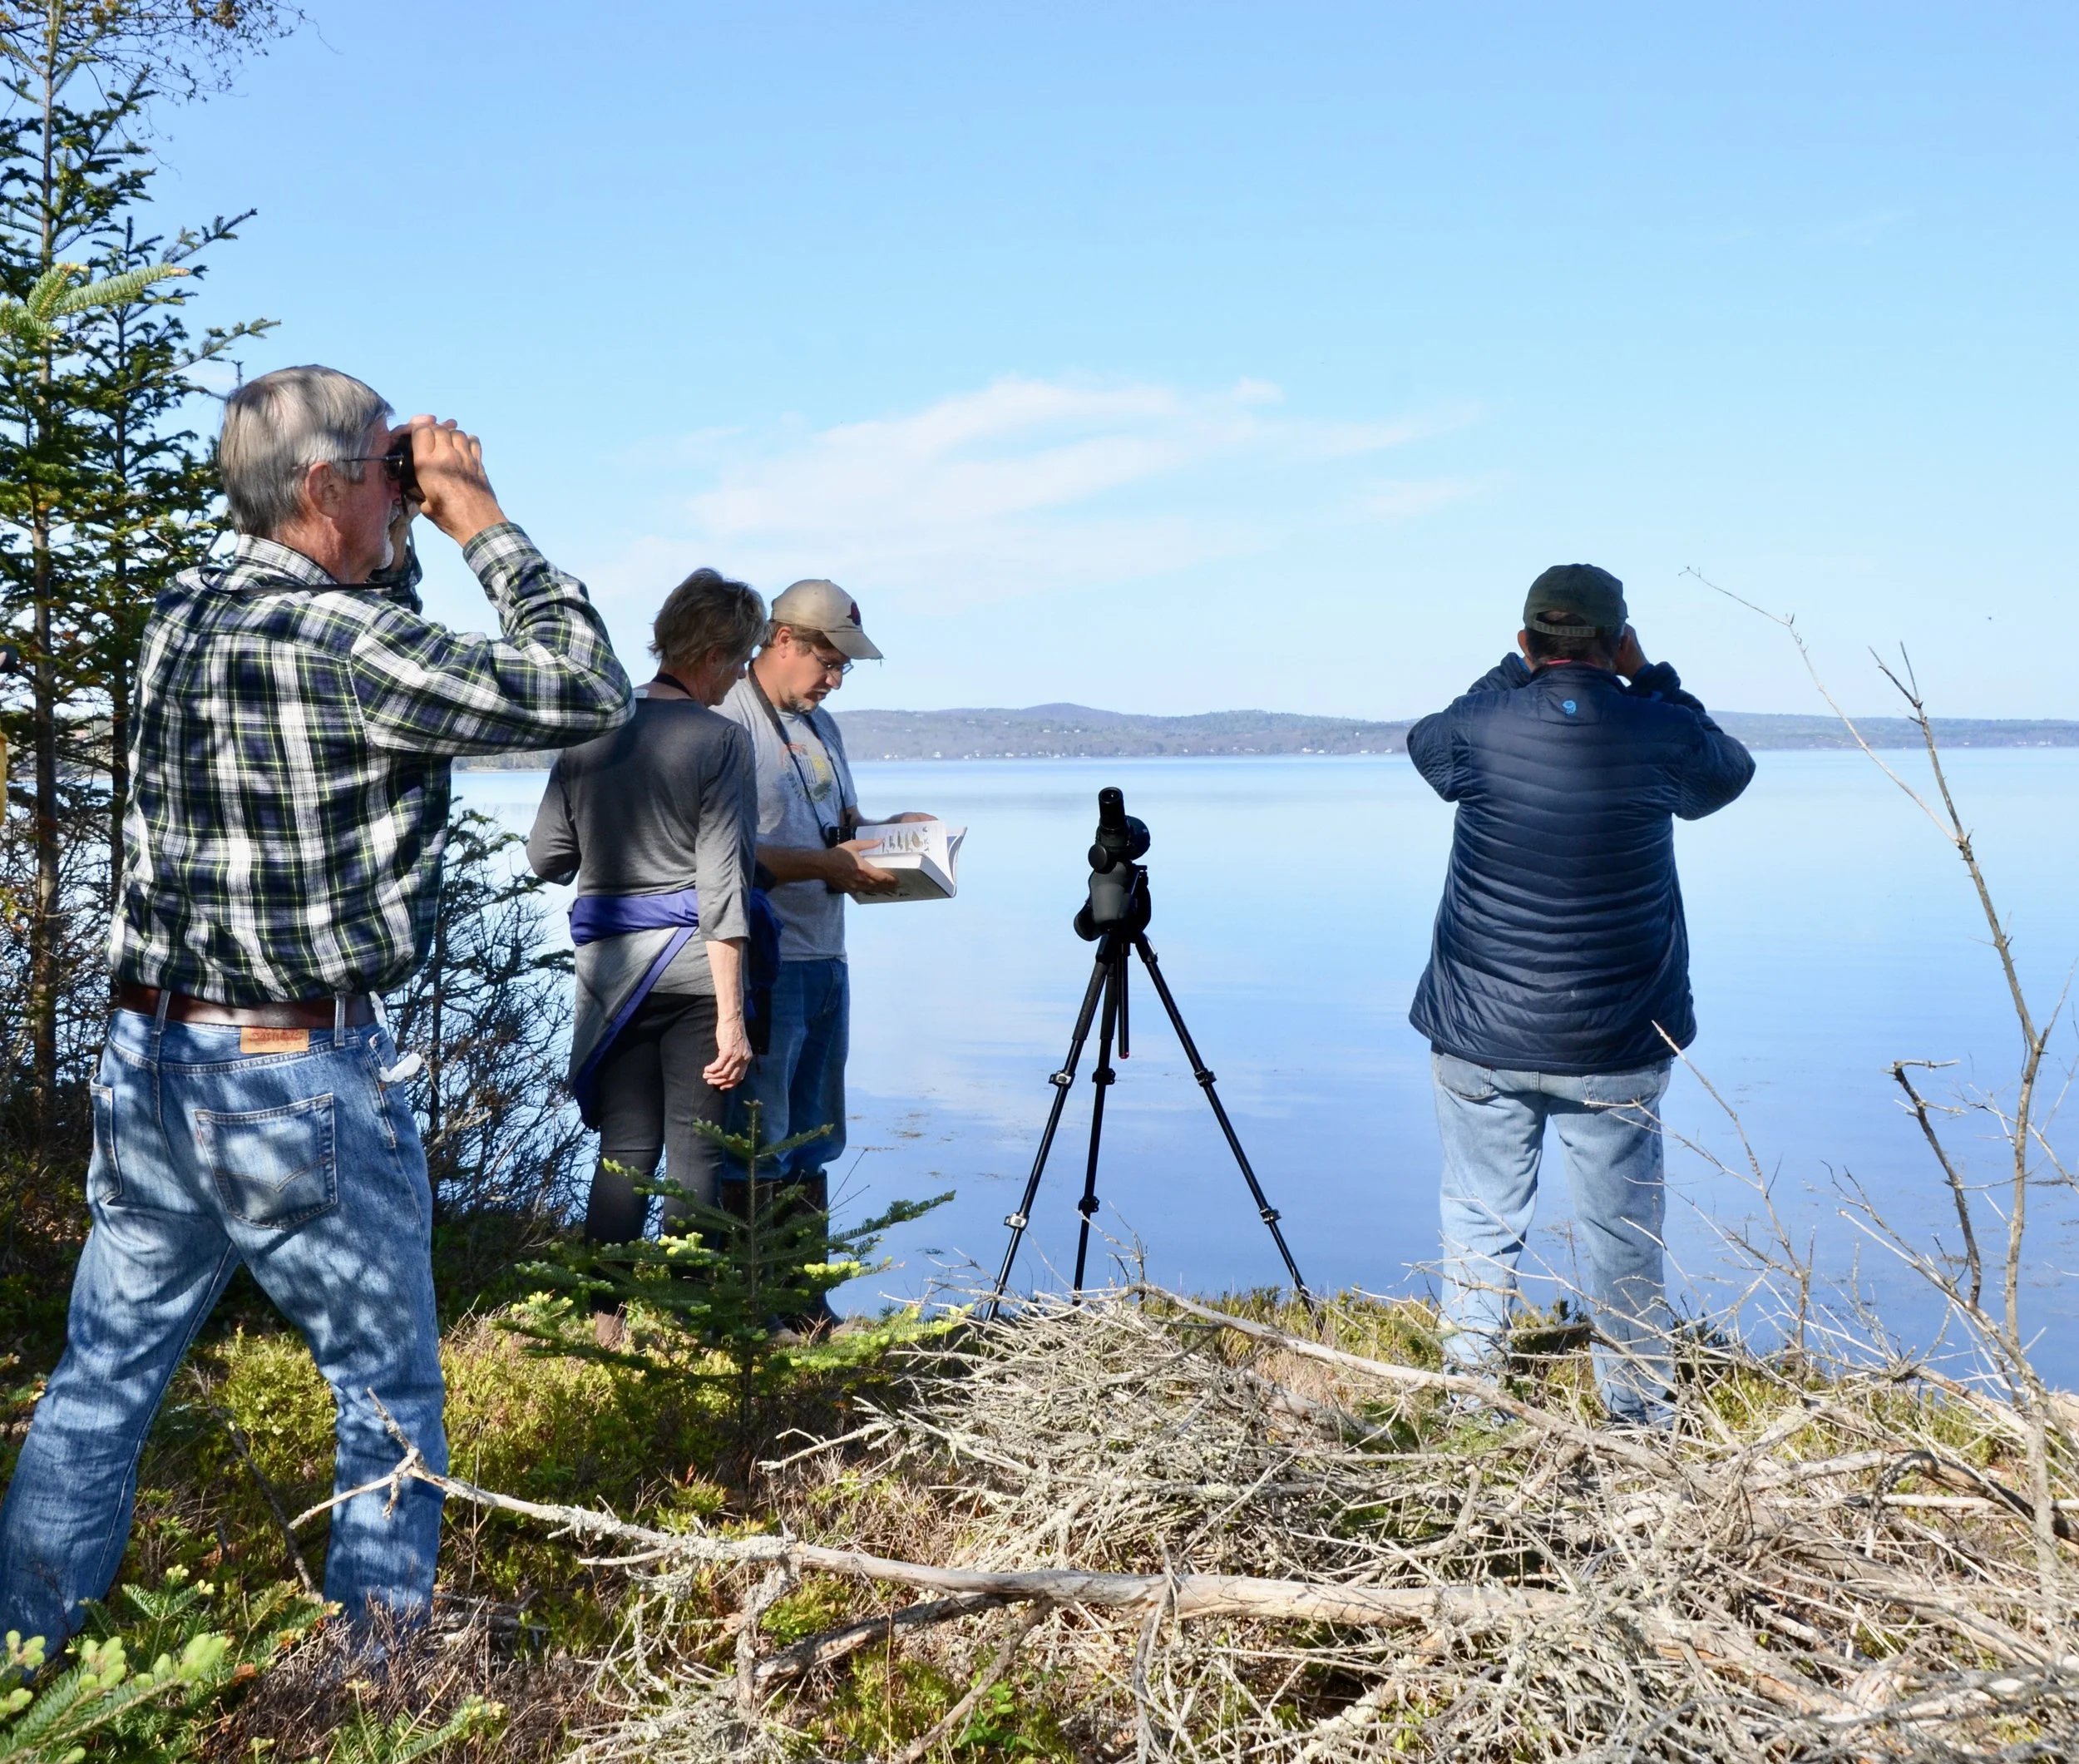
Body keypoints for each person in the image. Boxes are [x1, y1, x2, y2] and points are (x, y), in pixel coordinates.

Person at [0, 366, 633, 1647]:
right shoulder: (348, 647)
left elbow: (358, 651)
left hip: (151, 1052)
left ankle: (23, 1655)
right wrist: (478, 518)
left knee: (103, 1378)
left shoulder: (184, 616)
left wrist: (390, 536)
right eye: (384, 478)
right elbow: (587, 693)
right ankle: (377, 1681)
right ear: (326, 483)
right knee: (387, 1392)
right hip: (289, 1070)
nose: (402, 496)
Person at [1406, 564, 1755, 1426]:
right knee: (1622, 1237)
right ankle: (1638, 1418)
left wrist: (1511, 671)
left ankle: (1472, 1409)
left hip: (1479, 1035)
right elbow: (1730, 769)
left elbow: (1428, 740)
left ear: (1528, 641)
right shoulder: (1661, 731)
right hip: (1614, 1042)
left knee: (1479, 1222)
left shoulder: (1480, 726)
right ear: (1617, 640)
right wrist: (1653, 676)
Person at [526, 568, 766, 1347]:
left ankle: (604, 1319)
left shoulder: (590, 730)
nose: (740, 678)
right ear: (712, 654)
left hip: (610, 979)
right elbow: (723, 890)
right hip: (696, 976)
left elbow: (546, 857)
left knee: (625, 1148)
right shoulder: (721, 741)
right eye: (739, 660)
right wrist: (732, 1016)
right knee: (697, 1154)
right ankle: (689, 1322)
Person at [716, 581, 932, 1319]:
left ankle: (808, 1303)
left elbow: (837, 829)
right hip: (762, 963)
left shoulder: (823, 727)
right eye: (830, 662)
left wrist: (896, 833)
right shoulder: (729, 718)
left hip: (827, 957)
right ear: (784, 641)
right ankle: (752, 1310)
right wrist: (826, 865)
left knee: (814, 1136)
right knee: (759, 1137)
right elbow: (725, 856)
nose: (836, 680)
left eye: (844, 668)